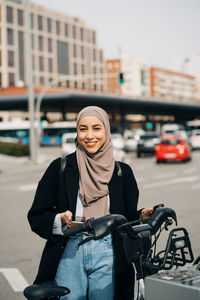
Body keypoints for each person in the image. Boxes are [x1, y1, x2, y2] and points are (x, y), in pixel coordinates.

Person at [28, 106, 153, 300]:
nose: (89, 135)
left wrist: (140, 215)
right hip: (70, 249)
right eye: (83, 128)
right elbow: (36, 215)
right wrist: (59, 220)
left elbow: (125, 220)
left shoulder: (122, 172)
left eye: (96, 128)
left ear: (107, 131)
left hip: (110, 250)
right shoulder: (60, 168)